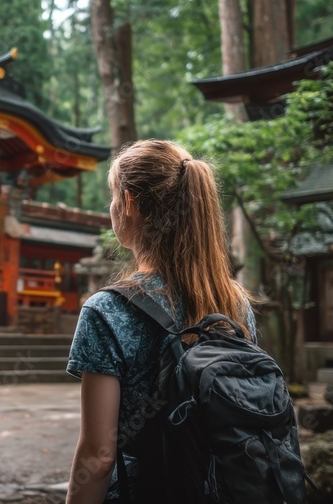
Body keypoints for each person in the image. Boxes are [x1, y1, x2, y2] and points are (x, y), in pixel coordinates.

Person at [65, 140, 256, 504]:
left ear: (128, 202)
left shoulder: (107, 310)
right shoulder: (234, 302)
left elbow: (99, 456)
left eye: (113, 197)